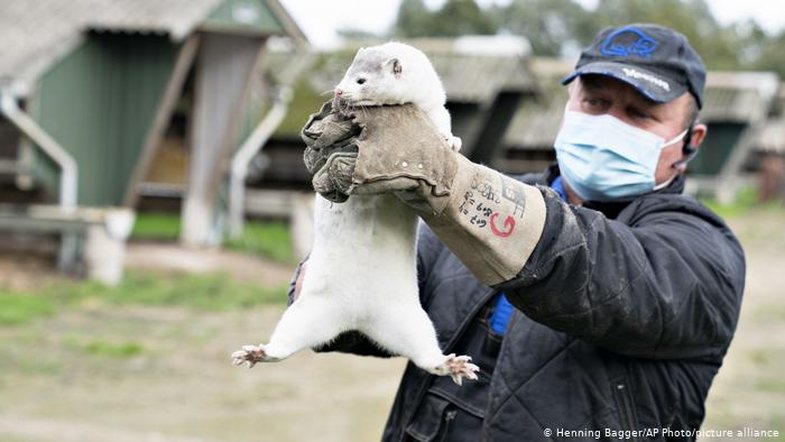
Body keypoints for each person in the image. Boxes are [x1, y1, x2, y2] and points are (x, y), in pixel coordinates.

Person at [295, 23, 745, 441]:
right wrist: (339, 254)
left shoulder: (703, 249)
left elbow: (595, 267)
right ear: (569, 106)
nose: (610, 123)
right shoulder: (484, 197)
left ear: (692, 140)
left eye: (639, 113)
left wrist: (452, 185)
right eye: (595, 102)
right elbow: (373, 310)